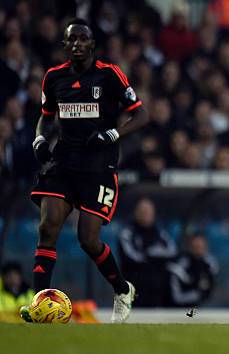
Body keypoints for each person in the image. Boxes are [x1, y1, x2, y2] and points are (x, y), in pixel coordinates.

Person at [21, 18, 149, 323]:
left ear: (92, 44)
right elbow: (45, 116)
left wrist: (113, 134)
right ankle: (40, 305)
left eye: (83, 38)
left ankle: (122, 289)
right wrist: (40, 138)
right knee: (47, 227)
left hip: (98, 167)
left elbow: (141, 115)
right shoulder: (53, 78)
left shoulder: (109, 75)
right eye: (72, 39)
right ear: (65, 45)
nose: (77, 43)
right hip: (63, 163)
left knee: (88, 239)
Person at [118, 197, 178, 307]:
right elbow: (131, 258)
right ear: (136, 213)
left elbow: (172, 252)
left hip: (158, 291)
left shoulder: (160, 233)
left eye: (148, 212)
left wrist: (150, 254)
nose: (145, 214)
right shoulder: (127, 233)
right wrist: (154, 257)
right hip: (134, 291)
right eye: (142, 211)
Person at [166, 233, 218, 307]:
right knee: (191, 314)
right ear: (190, 247)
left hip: (202, 307)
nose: (199, 249)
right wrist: (197, 294)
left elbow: (210, 291)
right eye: (196, 246)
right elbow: (176, 297)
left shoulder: (209, 264)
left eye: (201, 246)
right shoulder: (180, 265)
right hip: (178, 308)